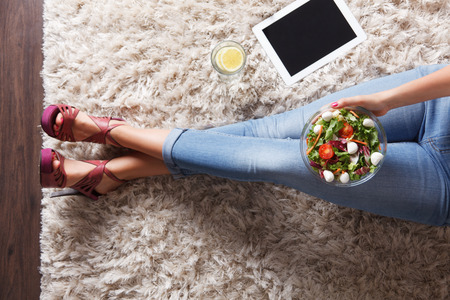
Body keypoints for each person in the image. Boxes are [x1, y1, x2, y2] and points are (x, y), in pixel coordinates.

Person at [40, 64, 450, 226]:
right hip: (437, 102)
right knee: (268, 131)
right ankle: (113, 172)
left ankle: (115, 134)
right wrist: (390, 99)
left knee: (273, 161)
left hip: (442, 181)